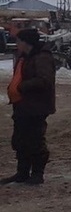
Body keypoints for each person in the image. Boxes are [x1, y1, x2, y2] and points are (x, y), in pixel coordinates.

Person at [2, 28, 56, 185]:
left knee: (35, 139)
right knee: (20, 139)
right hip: (22, 105)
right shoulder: (24, 57)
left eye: (19, 41)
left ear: (27, 43)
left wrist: (21, 87)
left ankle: (37, 174)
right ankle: (22, 173)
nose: (17, 44)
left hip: (36, 106)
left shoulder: (42, 58)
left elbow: (45, 81)